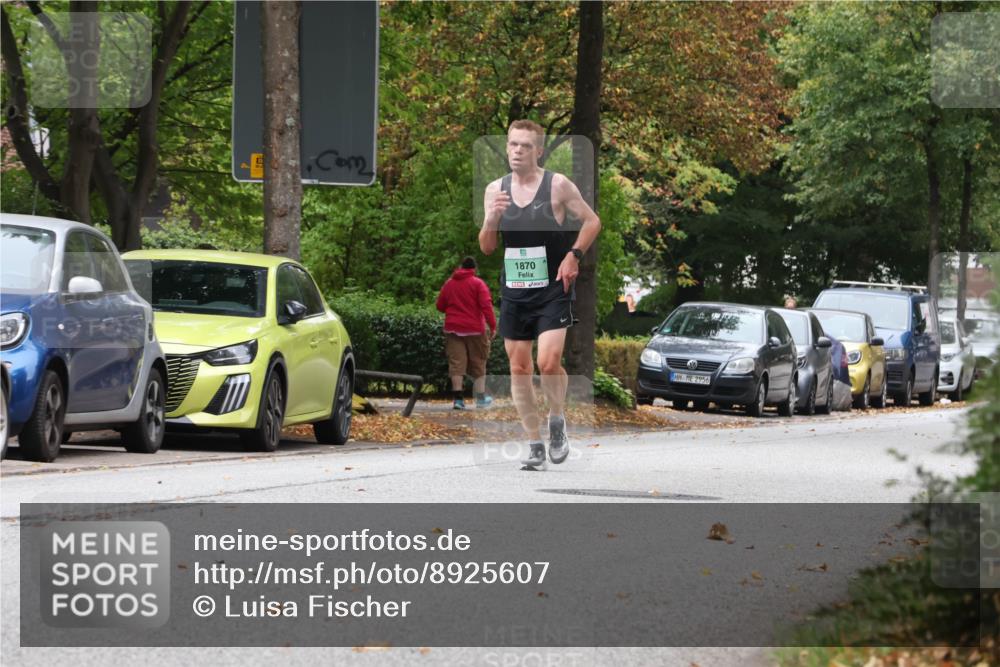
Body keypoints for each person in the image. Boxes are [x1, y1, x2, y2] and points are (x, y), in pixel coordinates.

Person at [478, 120, 601, 469]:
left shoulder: (557, 185)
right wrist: (491, 219)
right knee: (519, 367)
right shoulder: (495, 190)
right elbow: (487, 248)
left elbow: (592, 222)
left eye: (525, 146)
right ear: (506, 148)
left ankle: (557, 420)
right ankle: (534, 443)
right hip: (515, 289)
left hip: (553, 287)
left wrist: (572, 255)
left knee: (548, 363)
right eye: (513, 145)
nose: (518, 151)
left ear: (539, 150)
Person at [436, 256, 496, 410]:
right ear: (473, 269)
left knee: (456, 363)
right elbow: (486, 306)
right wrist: (493, 325)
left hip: (453, 328)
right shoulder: (478, 284)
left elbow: (440, 305)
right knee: (479, 362)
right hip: (475, 329)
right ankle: (481, 399)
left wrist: (454, 309)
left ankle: (458, 400)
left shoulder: (449, 283)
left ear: (460, 267)